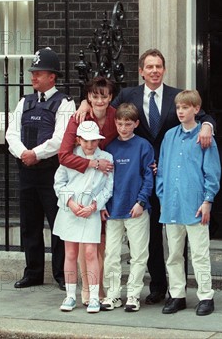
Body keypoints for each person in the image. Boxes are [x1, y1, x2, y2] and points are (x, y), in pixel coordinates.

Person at [76, 48, 216, 304]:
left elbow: (202, 116)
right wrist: (85, 102)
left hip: (167, 175)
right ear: (141, 71)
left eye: (158, 66)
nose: (154, 71)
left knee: (177, 238)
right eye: (149, 67)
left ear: (164, 69)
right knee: (149, 237)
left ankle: (179, 291)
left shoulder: (177, 96)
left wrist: (207, 126)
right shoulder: (129, 94)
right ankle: (158, 287)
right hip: (140, 177)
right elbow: (106, 107)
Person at [6, 47, 76, 290]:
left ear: (52, 77)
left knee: (58, 223)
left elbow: (61, 139)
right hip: (27, 171)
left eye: (39, 73)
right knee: (29, 223)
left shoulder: (65, 103)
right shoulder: (25, 101)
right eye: (32, 73)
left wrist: (35, 154)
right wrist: (24, 154)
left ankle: (60, 273)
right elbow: (11, 133)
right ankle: (33, 272)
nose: (33, 77)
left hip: (51, 172)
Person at [156, 90, 221, 316]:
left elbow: (212, 171)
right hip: (172, 205)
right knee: (173, 253)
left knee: (200, 253)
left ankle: (205, 295)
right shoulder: (169, 137)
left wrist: (207, 201)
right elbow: (162, 169)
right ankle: (177, 295)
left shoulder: (204, 137)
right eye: (178, 108)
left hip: (195, 204)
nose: (181, 111)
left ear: (196, 109)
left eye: (185, 107)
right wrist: (162, 196)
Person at [58, 76, 117, 304]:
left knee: (97, 245)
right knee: (76, 250)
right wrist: (92, 163)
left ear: (110, 97)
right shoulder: (79, 117)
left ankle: (98, 292)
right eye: (94, 96)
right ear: (88, 98)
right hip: (83, 180)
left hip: (106, 179)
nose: (99, 100)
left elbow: (129, 129)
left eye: (104, 96)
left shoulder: (114, 115)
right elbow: (64, 156)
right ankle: (81, 294)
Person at [53, 121, 113, 313]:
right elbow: (58, 183)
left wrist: (95, 206)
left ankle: (94, 297)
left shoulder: (106, 157)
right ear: (78, 140)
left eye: (94, 141)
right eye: (86, 141)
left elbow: (108, 187)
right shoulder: (70, 158)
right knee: (70, 253)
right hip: (70, 210)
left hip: (91, 211)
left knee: (90, 253)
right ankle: (70, 296)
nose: (89, 145)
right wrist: (70, 203)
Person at [100, 103, 154, 313]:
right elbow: (103, 180)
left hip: (136, 210)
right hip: (113, 210)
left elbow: (149, 176)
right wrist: (104, 204)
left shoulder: (143, 146)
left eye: (128, 124)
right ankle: (113, 295)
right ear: (115, 122)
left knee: (139, 254)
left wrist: (141, 202)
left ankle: (133, 294)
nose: (123, 127)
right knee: (111, 254)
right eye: (120, 123)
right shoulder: (110, 147)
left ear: (136, 124)